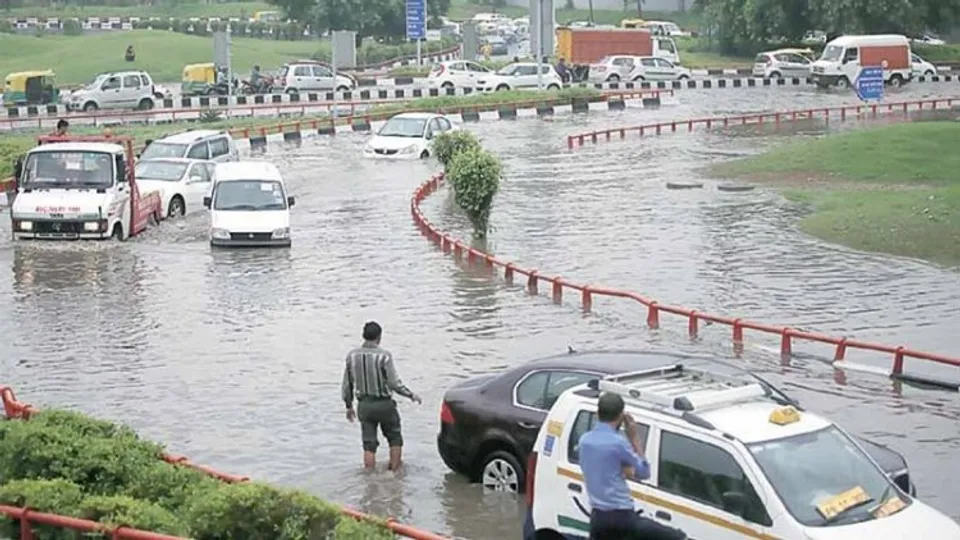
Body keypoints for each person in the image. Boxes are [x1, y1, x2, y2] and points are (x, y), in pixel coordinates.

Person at [579, 393, 687, 540]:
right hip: (622, 517)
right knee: (677, 536)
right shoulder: (618, 443)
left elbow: (602, 466)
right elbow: (644, 472)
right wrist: (634, 437)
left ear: (598, 413)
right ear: (621, 416)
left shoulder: (584, 441)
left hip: (598, 518)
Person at [341, 321, 422, 471]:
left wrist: (349, 406)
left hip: (364, 405)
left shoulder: (352, 356)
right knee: (395, 438)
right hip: (384, 404)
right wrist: (410, 394)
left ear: (363, 336)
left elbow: (347, 385)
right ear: (379, 337)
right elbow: (393, 383)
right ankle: (395, 475)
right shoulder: (384, 356)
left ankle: (369, 479)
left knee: (368, 444)